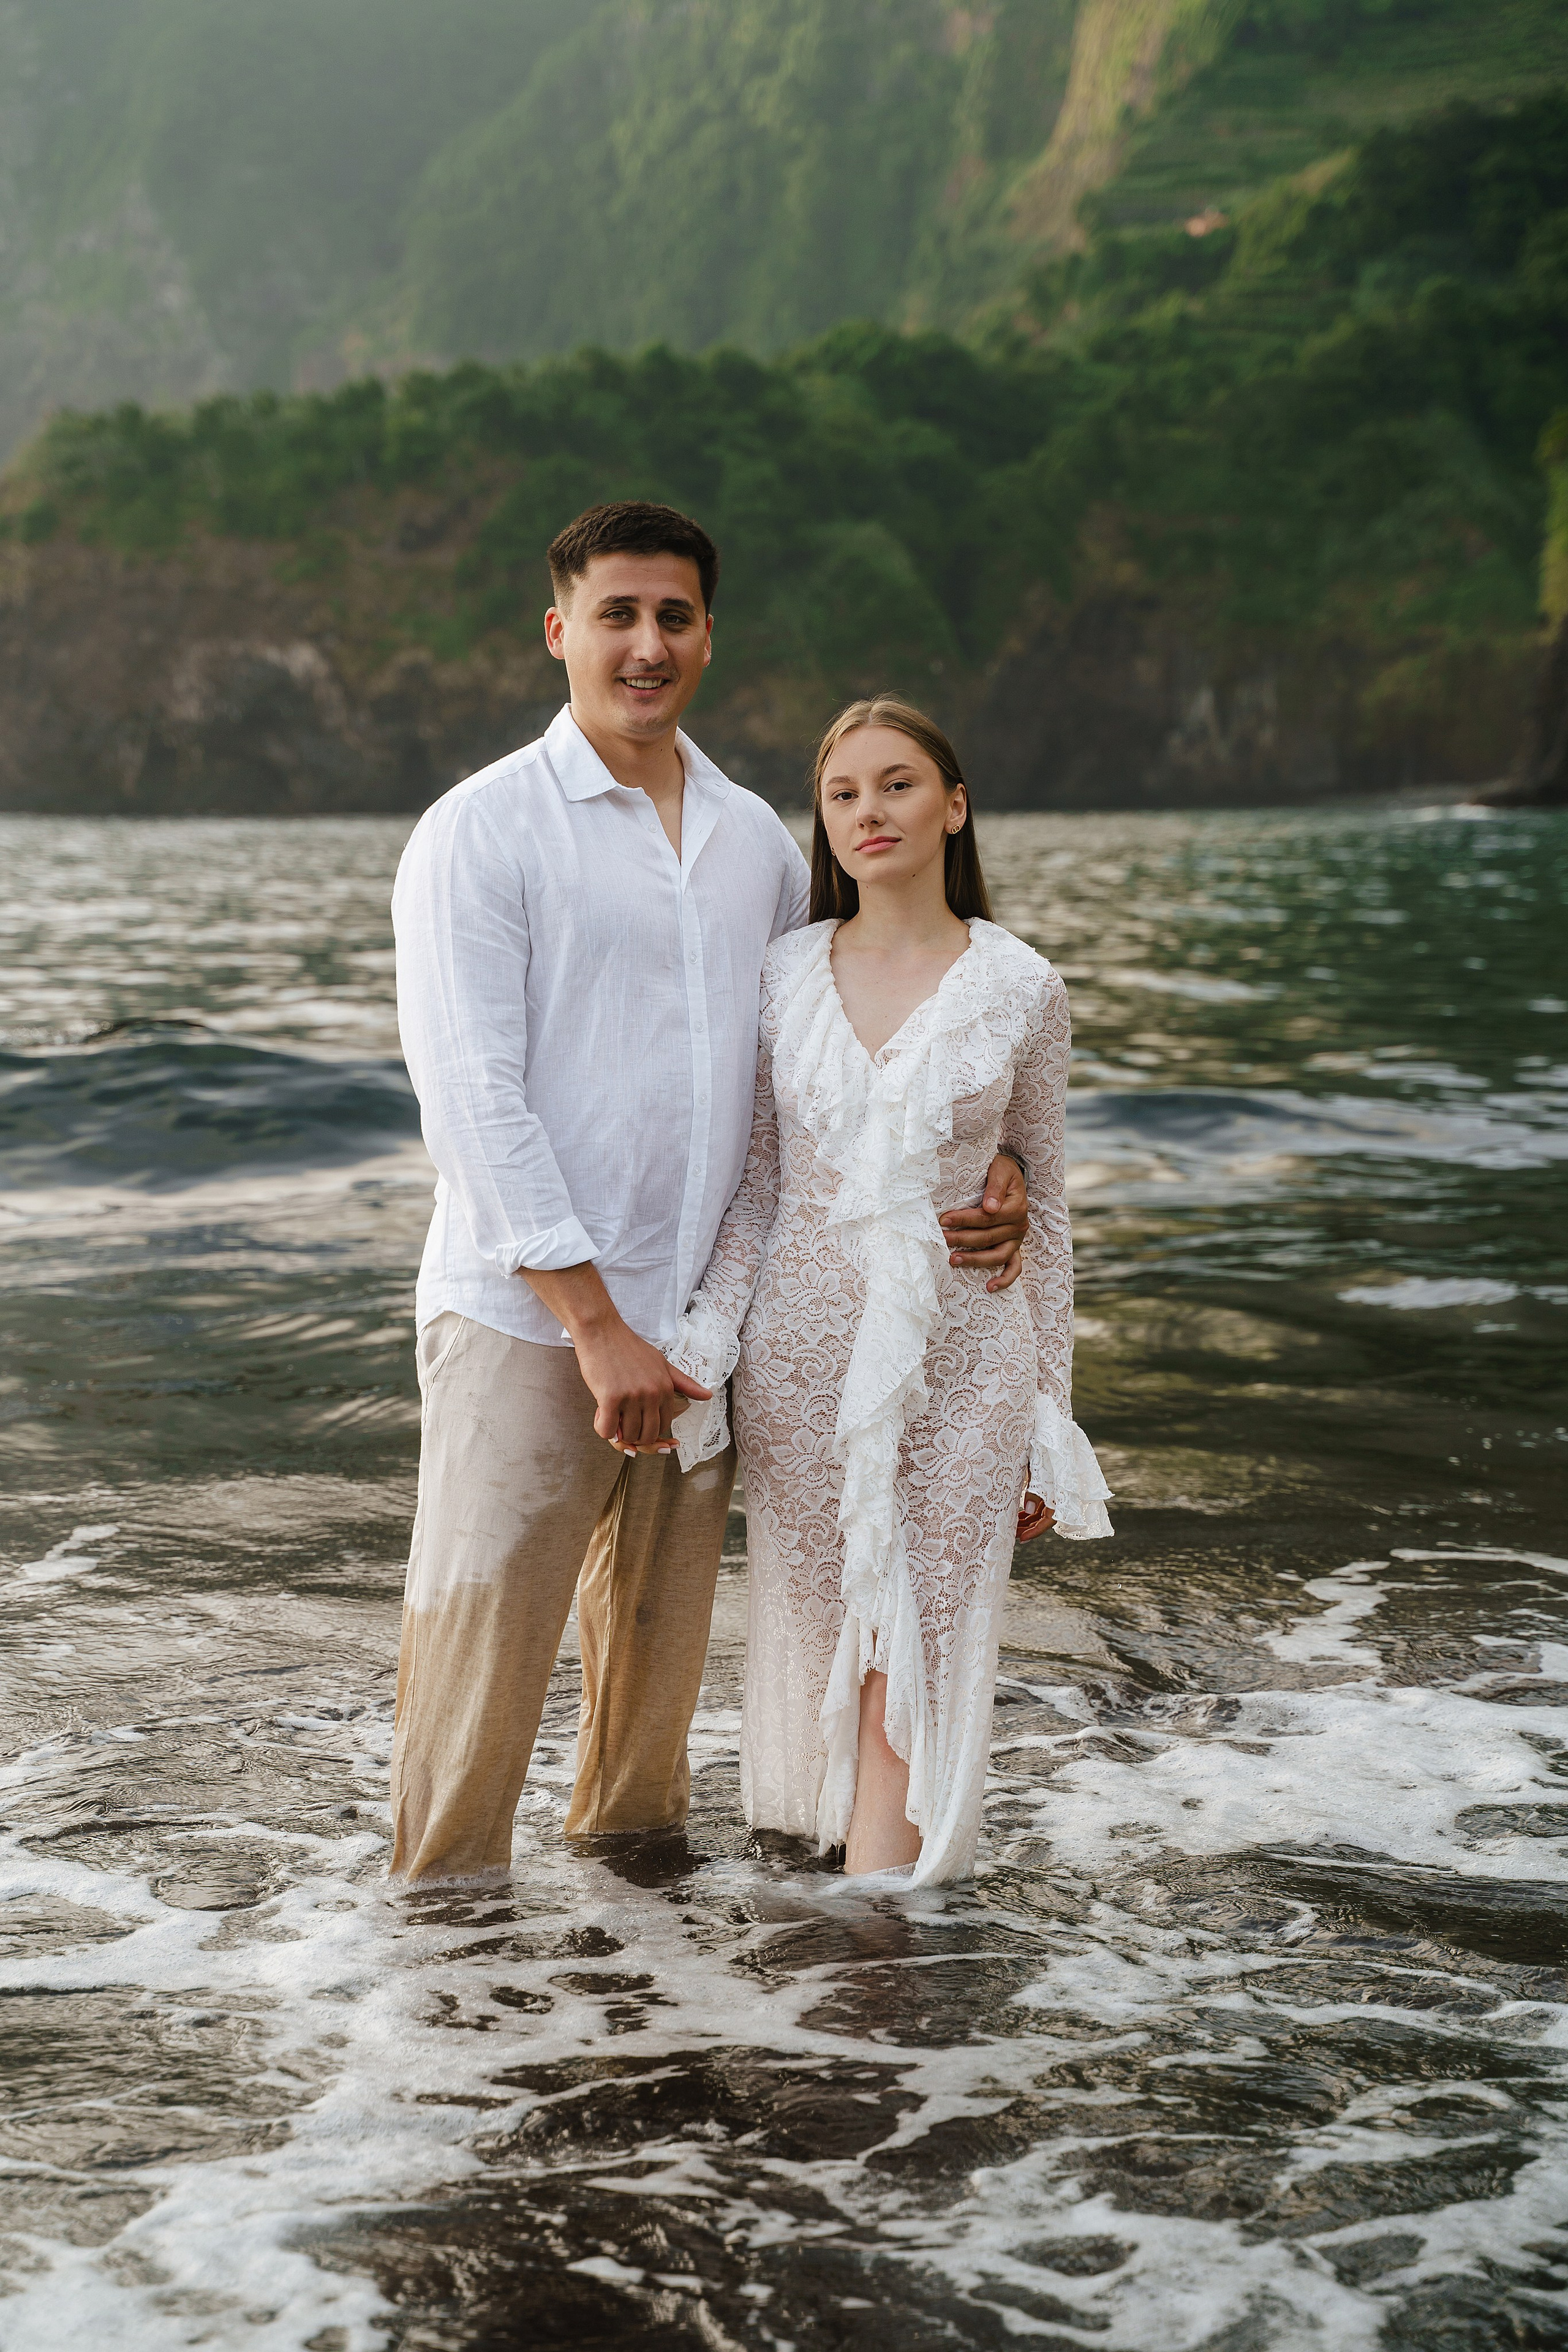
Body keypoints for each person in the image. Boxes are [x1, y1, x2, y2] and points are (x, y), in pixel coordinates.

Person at [387, 503, 1033, 1882]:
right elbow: (471, 1100)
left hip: (703, 1341)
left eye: (671, 617)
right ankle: (436, 2036)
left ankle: (634, 2022)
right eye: (614, 615)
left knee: (644, 1760)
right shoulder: (482, 832)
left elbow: (840, 1067)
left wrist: (1005, 1163)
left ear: (706, 637)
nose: (644, 644)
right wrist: (590, 1322)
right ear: (558, 631)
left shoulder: (753, 840)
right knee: (473, 1717)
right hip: (528, 1325)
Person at [667, 695, 1113, 1887]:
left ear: (953, 804)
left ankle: (878, 1920)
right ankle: (850, 1923)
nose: (870, 811)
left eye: (898, 783)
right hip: (799, 1368)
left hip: (966, 1366)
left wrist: (1047, 1425)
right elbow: (757, 1188)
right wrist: (702, 1343)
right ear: (821, 818)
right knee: (823, 1626)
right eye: (843, 792)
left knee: (914, 1632)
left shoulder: (1023, 986)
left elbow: (1047, 1205)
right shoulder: (781, 974)